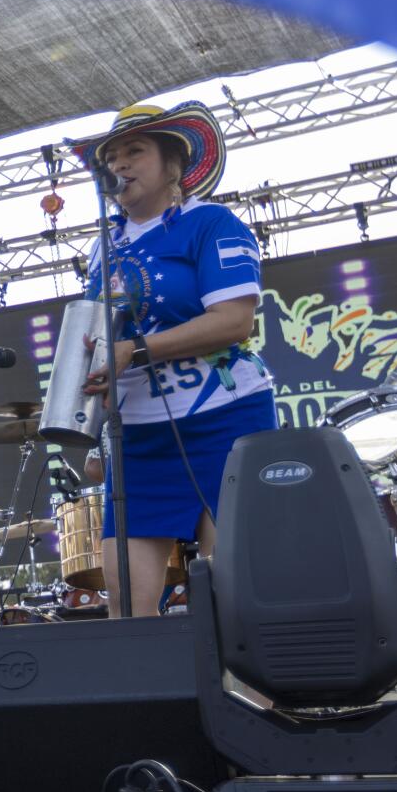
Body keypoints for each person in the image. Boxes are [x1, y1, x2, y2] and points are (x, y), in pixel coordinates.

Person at [70, 102, 276, 619]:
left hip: (225, 418)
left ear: (175, 166)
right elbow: (98, 338)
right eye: (111, 157)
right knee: (125, 603)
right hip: (137, 434)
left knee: (237, 591)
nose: (119, 164)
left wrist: (135, 351)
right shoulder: (102, 248)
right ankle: (154, 701)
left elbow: (234, 321)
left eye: (134, 151)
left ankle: (251, 701)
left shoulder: (211, 222)